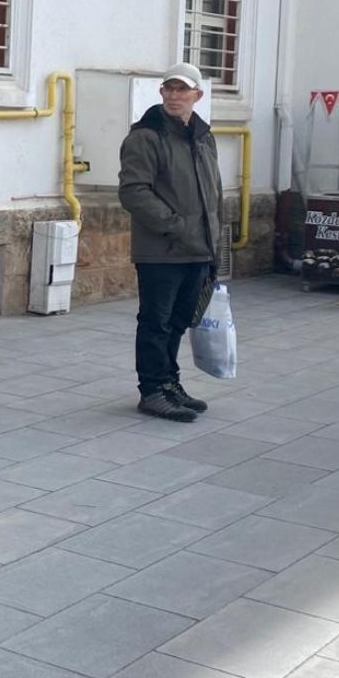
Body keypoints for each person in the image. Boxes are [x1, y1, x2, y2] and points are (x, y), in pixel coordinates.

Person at [119, 62, 223, 422]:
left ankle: (170, 384)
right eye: (169, 89)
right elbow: (134, 192)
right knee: (156, 323)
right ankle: (152, 391)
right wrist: (176, 226)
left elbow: (214, 194)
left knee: (179, 321)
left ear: (198, 95)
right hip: (162, 251)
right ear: (161, 93)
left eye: (183, 90)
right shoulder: (145, 136)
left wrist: (213, 242)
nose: (175, 96)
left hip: (197, 249)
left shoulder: (203, 137)